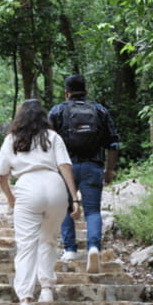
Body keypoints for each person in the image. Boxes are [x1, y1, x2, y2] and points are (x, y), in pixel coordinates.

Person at [0, 99, 81, 305]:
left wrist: (11, 198)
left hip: (27, 186)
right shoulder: (52, 137)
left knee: (26, 246)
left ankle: (25, 301)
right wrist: (74, 198)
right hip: (55, 186)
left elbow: (1, 175)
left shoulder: (12, 139)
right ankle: (47, 289)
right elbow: (65, 165)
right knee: (49, 240)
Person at [48, 74, 120, 274]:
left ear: (66, 93)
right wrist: (109, 170)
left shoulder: (57, 111)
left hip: (65, 168)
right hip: (93, 166)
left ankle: (70, 250)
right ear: (86, 91)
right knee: (93, 211)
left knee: (65, 207)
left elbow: (46, 141)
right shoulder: (100, 110)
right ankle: (94, 247)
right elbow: (113, 143)